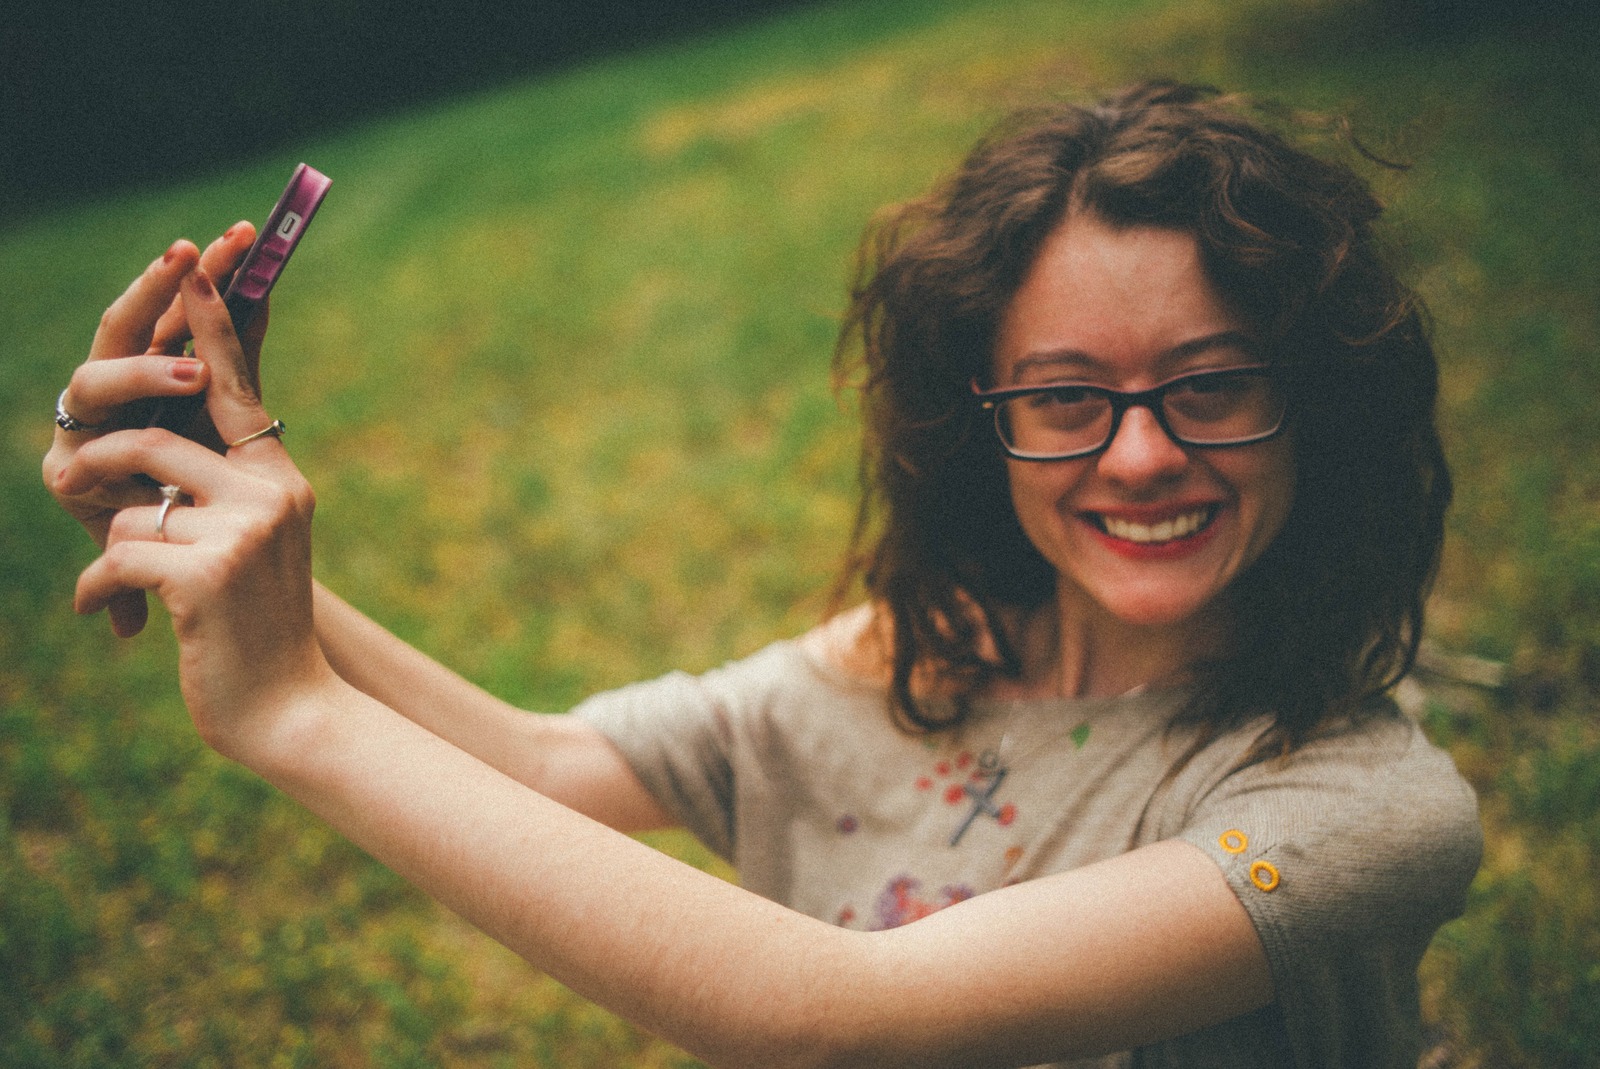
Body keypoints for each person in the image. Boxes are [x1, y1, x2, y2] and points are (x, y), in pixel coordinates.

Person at [44, 81, 1481, 1068]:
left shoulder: (1363, 811)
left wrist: (292, 711)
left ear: (1320, 401)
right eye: (1064, 397)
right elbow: (546, 769)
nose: (1143, 454)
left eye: (1213, 383)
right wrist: (211, 531)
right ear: (980, 420)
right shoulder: (924, 652)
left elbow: (842, 1018)